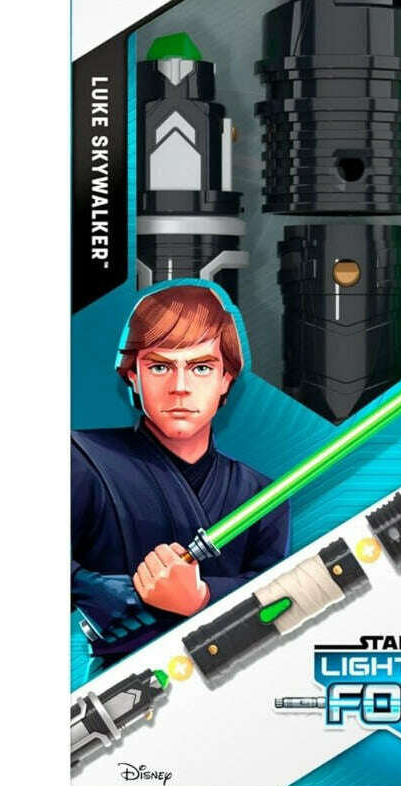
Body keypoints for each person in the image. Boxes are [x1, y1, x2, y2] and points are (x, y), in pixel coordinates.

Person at [71, 284, 289, 668]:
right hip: (112, 681)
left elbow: (281, 601)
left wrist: (201, 596)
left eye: (201, 368)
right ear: (132, 375)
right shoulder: (83, 459)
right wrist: (88, 587)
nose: (180, 388)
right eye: (160, 367)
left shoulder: (262, 496)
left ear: (226, 378)